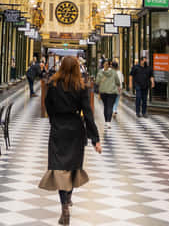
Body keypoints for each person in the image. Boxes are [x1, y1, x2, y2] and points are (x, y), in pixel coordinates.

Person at [38, 56, 101, 225]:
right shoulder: (80, 87)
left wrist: (54, 120)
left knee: (59, 168)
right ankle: (69, 199)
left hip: (59, 129)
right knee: (72, 167)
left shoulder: (52, 85)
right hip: (75, 129)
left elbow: (47, 105)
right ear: (76, 69)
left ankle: (64, 205)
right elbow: (88, 113)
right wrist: (95, 138)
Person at [94, 61, 121, 128]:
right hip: (112, 92)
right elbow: (117, 81)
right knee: (110, 106)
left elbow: (97, 82)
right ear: (109, 66)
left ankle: (106, 121)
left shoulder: (100, 72)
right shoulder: (114, 72)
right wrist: (118, 85)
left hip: (103, 91)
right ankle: (108, 122)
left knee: (106, 106)